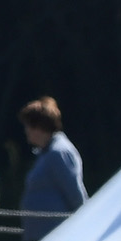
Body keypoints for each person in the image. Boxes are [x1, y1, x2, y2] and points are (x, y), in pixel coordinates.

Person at [21, 98, 88, 233]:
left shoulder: (59, 152)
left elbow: (75, 194)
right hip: (42, 234)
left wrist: (86, 223)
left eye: (28, 125)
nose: (26, 130)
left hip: (58, 235)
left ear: (39, 127)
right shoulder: (45, 153)